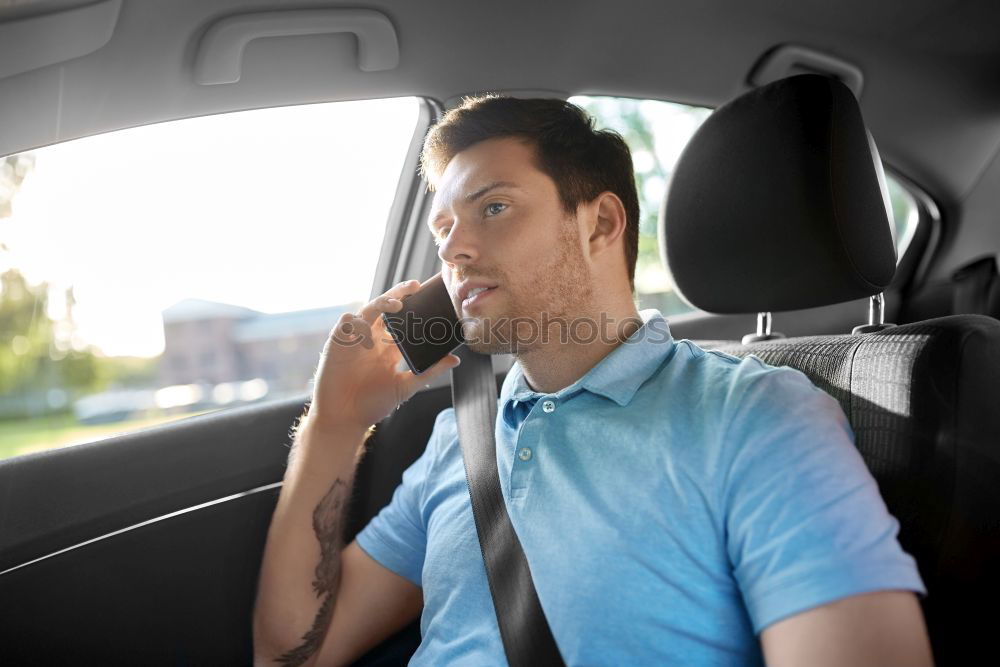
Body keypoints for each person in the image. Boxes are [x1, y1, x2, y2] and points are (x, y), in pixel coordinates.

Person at [252, 96, 932, 666]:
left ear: (601, 223)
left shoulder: (756, 419)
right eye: (444, 229)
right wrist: (335, 423)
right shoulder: (457, 441)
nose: (455, 250)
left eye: (493, 208)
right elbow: (294, 654)